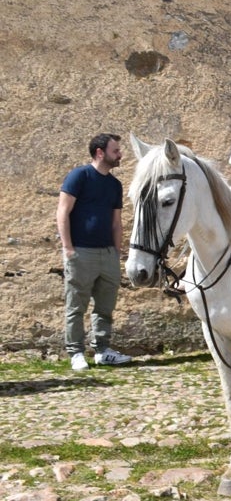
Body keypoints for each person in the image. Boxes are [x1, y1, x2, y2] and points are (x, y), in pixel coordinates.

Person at [57, 133, 133, 371]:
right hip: (81, 252)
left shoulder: (114, 184)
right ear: (100, 152)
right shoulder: (79, 176)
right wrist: (68, 248)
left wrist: (117, 252)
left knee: (105, 306)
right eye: (116, 151)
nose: (120, 154)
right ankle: (76, 353)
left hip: (107, 254)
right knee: (76, 306)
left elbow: (116, 222)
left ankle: (102, 350)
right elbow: (62, 212)